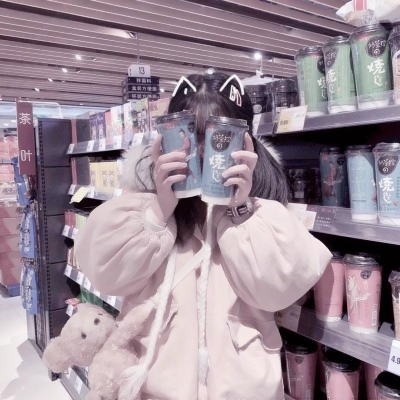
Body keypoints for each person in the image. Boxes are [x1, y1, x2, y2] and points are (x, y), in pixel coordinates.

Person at [75, 71, 332, 400]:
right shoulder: (138, 209)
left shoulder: (264, 213)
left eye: (221, 137)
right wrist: (159, 209)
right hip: (156, 387)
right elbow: (106, 275)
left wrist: (240, 209)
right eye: (189, 134)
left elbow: (278, 291)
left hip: (242, 391)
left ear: (246, 142)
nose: (203, 151)